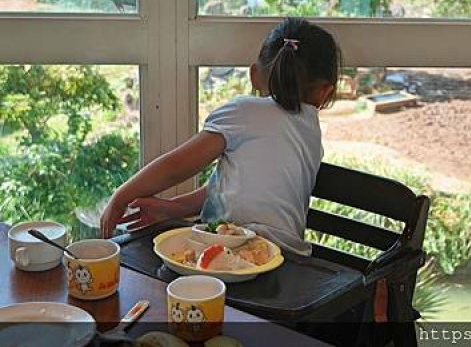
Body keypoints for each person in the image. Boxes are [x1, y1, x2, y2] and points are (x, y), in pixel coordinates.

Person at [100, 18, 341, 256]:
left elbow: (177, 166)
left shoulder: (244, 112)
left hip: (229, 249)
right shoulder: (310, 134)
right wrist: (172, 209)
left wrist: (122, 195)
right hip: (285, 262)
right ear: (325, 91)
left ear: (254, 74)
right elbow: (231, 189)